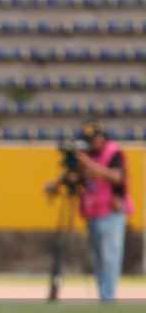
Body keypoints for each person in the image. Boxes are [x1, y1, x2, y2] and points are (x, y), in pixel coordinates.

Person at [44, 121, 133, 301]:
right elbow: (76, 178)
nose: (92, 143)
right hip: (92, 211)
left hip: (111, 211)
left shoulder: (113, 152)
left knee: (110, 255)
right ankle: (103, 295)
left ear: (102, 137)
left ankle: (108, 297)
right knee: (98, 257)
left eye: (94, 139)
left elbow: (117, 176)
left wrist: (89, 164)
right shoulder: (86, 155)